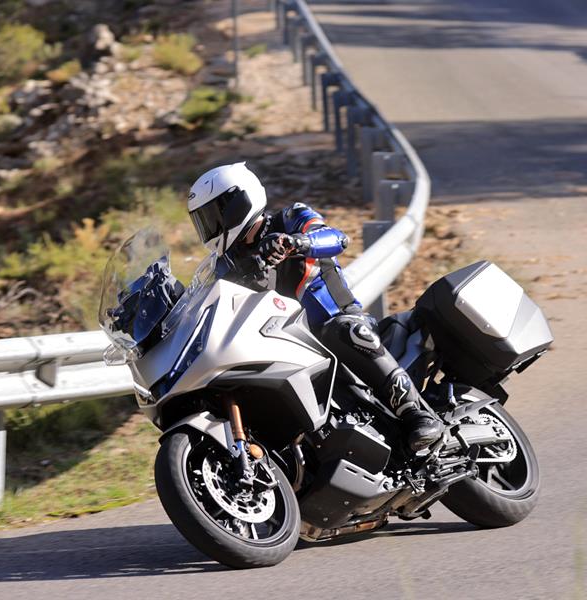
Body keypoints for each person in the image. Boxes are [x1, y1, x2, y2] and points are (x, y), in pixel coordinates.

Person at [187, 162, 443, 451]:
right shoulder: (228, 265)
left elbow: (337, 238)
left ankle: (415, 413)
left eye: (213, 215)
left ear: (238, 203)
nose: (210, 226)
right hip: (287, 342)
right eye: (203, 220)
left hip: (336, 321)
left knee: (344, 331)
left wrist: (295, 242)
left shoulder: (290, 218)